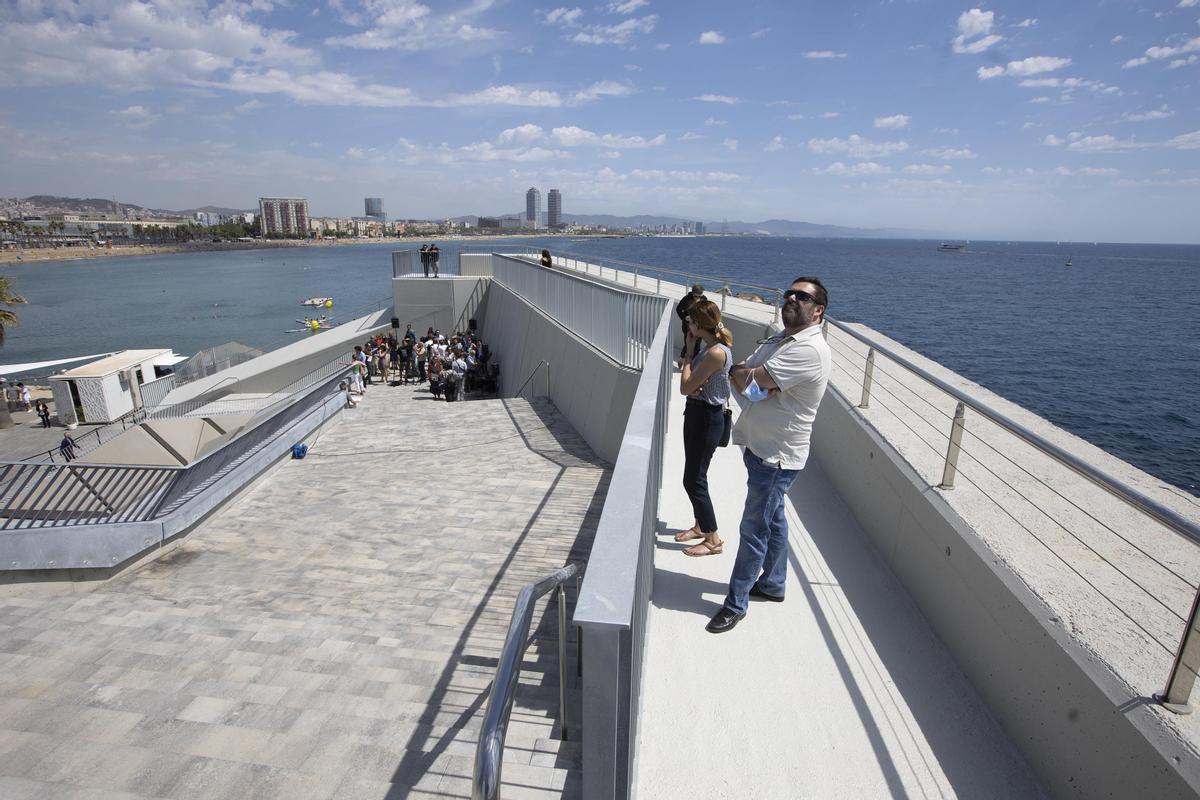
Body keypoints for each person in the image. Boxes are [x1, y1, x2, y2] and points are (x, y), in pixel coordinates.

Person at [706, 277, 832, 634]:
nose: (792, 297)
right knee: (773, 517)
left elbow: (747, 381)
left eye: (803, 296)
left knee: (754, 528)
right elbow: (743, 373)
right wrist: (751, 378)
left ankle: (735, 603)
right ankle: (774, 583)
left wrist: (750, 377)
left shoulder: (807, 350)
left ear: (818, 310)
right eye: (790, 292)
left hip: (777, 457)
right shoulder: (782, 339)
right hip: (760, 447)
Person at [674, 300, 733, 558]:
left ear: (698, 324)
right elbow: (690, 383)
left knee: (693, 479)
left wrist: (687, 354)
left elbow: (685, 387)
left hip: (706, 418)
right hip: (698, 414)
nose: (687, 324)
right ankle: (700, 526)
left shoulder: (715, 353)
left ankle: (713, 539)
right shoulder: (709, 348)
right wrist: (691, 372)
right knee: (698, 474)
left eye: (690, 321)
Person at [675, 284, 705, 360]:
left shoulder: (704, 299)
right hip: (687, 325)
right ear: (692, 293)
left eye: (700, 296)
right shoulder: (686, 299)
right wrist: (684, 318)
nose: (698, 298)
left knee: (697, 344)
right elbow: (678, 309)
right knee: (688, 343)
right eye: (696, 296)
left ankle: (695, 362)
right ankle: (682, 358)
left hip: (699, 325)